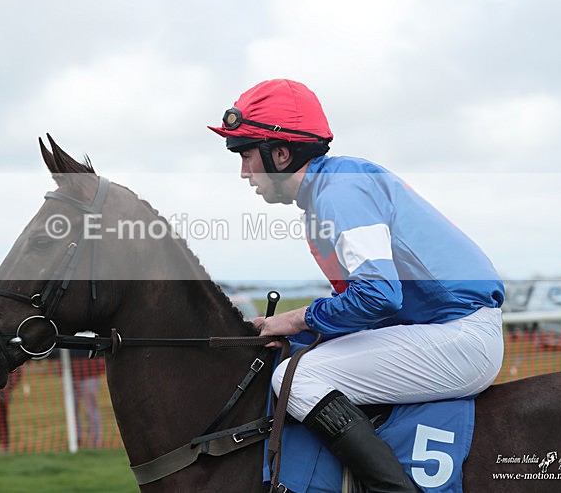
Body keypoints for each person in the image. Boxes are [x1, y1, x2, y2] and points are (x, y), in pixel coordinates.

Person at [208, 79, 505, 492]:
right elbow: (364, 301)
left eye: (245, 154)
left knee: (295, 379)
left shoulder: (339, 192)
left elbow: (379, 295)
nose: (243, 173)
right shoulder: (331, 189)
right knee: (298, 359)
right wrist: (306, 332)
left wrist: (296, 320)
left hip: (458, 336)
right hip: (441, 330)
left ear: (280, 153)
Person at [69, 349, 104, 448]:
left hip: (90, 372)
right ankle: (76, 439)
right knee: (72, 410)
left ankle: (95, 442)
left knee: (90, 409)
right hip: (71, 372)